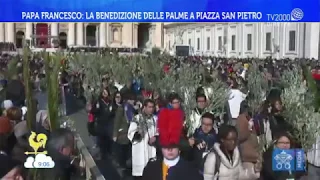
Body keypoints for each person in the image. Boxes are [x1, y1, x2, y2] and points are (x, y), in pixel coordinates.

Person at [142, 108, 203, 180]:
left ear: (179, 147)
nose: (170, 149)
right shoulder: (151, 169)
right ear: (161, 147)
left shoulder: (191, 171)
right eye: (166, 146)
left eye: (173, 146)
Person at [128, 99, 157, 179]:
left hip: (151, 151)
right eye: (149, 107)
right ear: (144, 107)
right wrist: (138, 134)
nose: (151, 109)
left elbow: (159, 131)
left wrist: (156, 138)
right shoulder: (137, 119)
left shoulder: (155, 119)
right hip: (140, 152)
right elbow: (130, 134)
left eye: (152, 107)